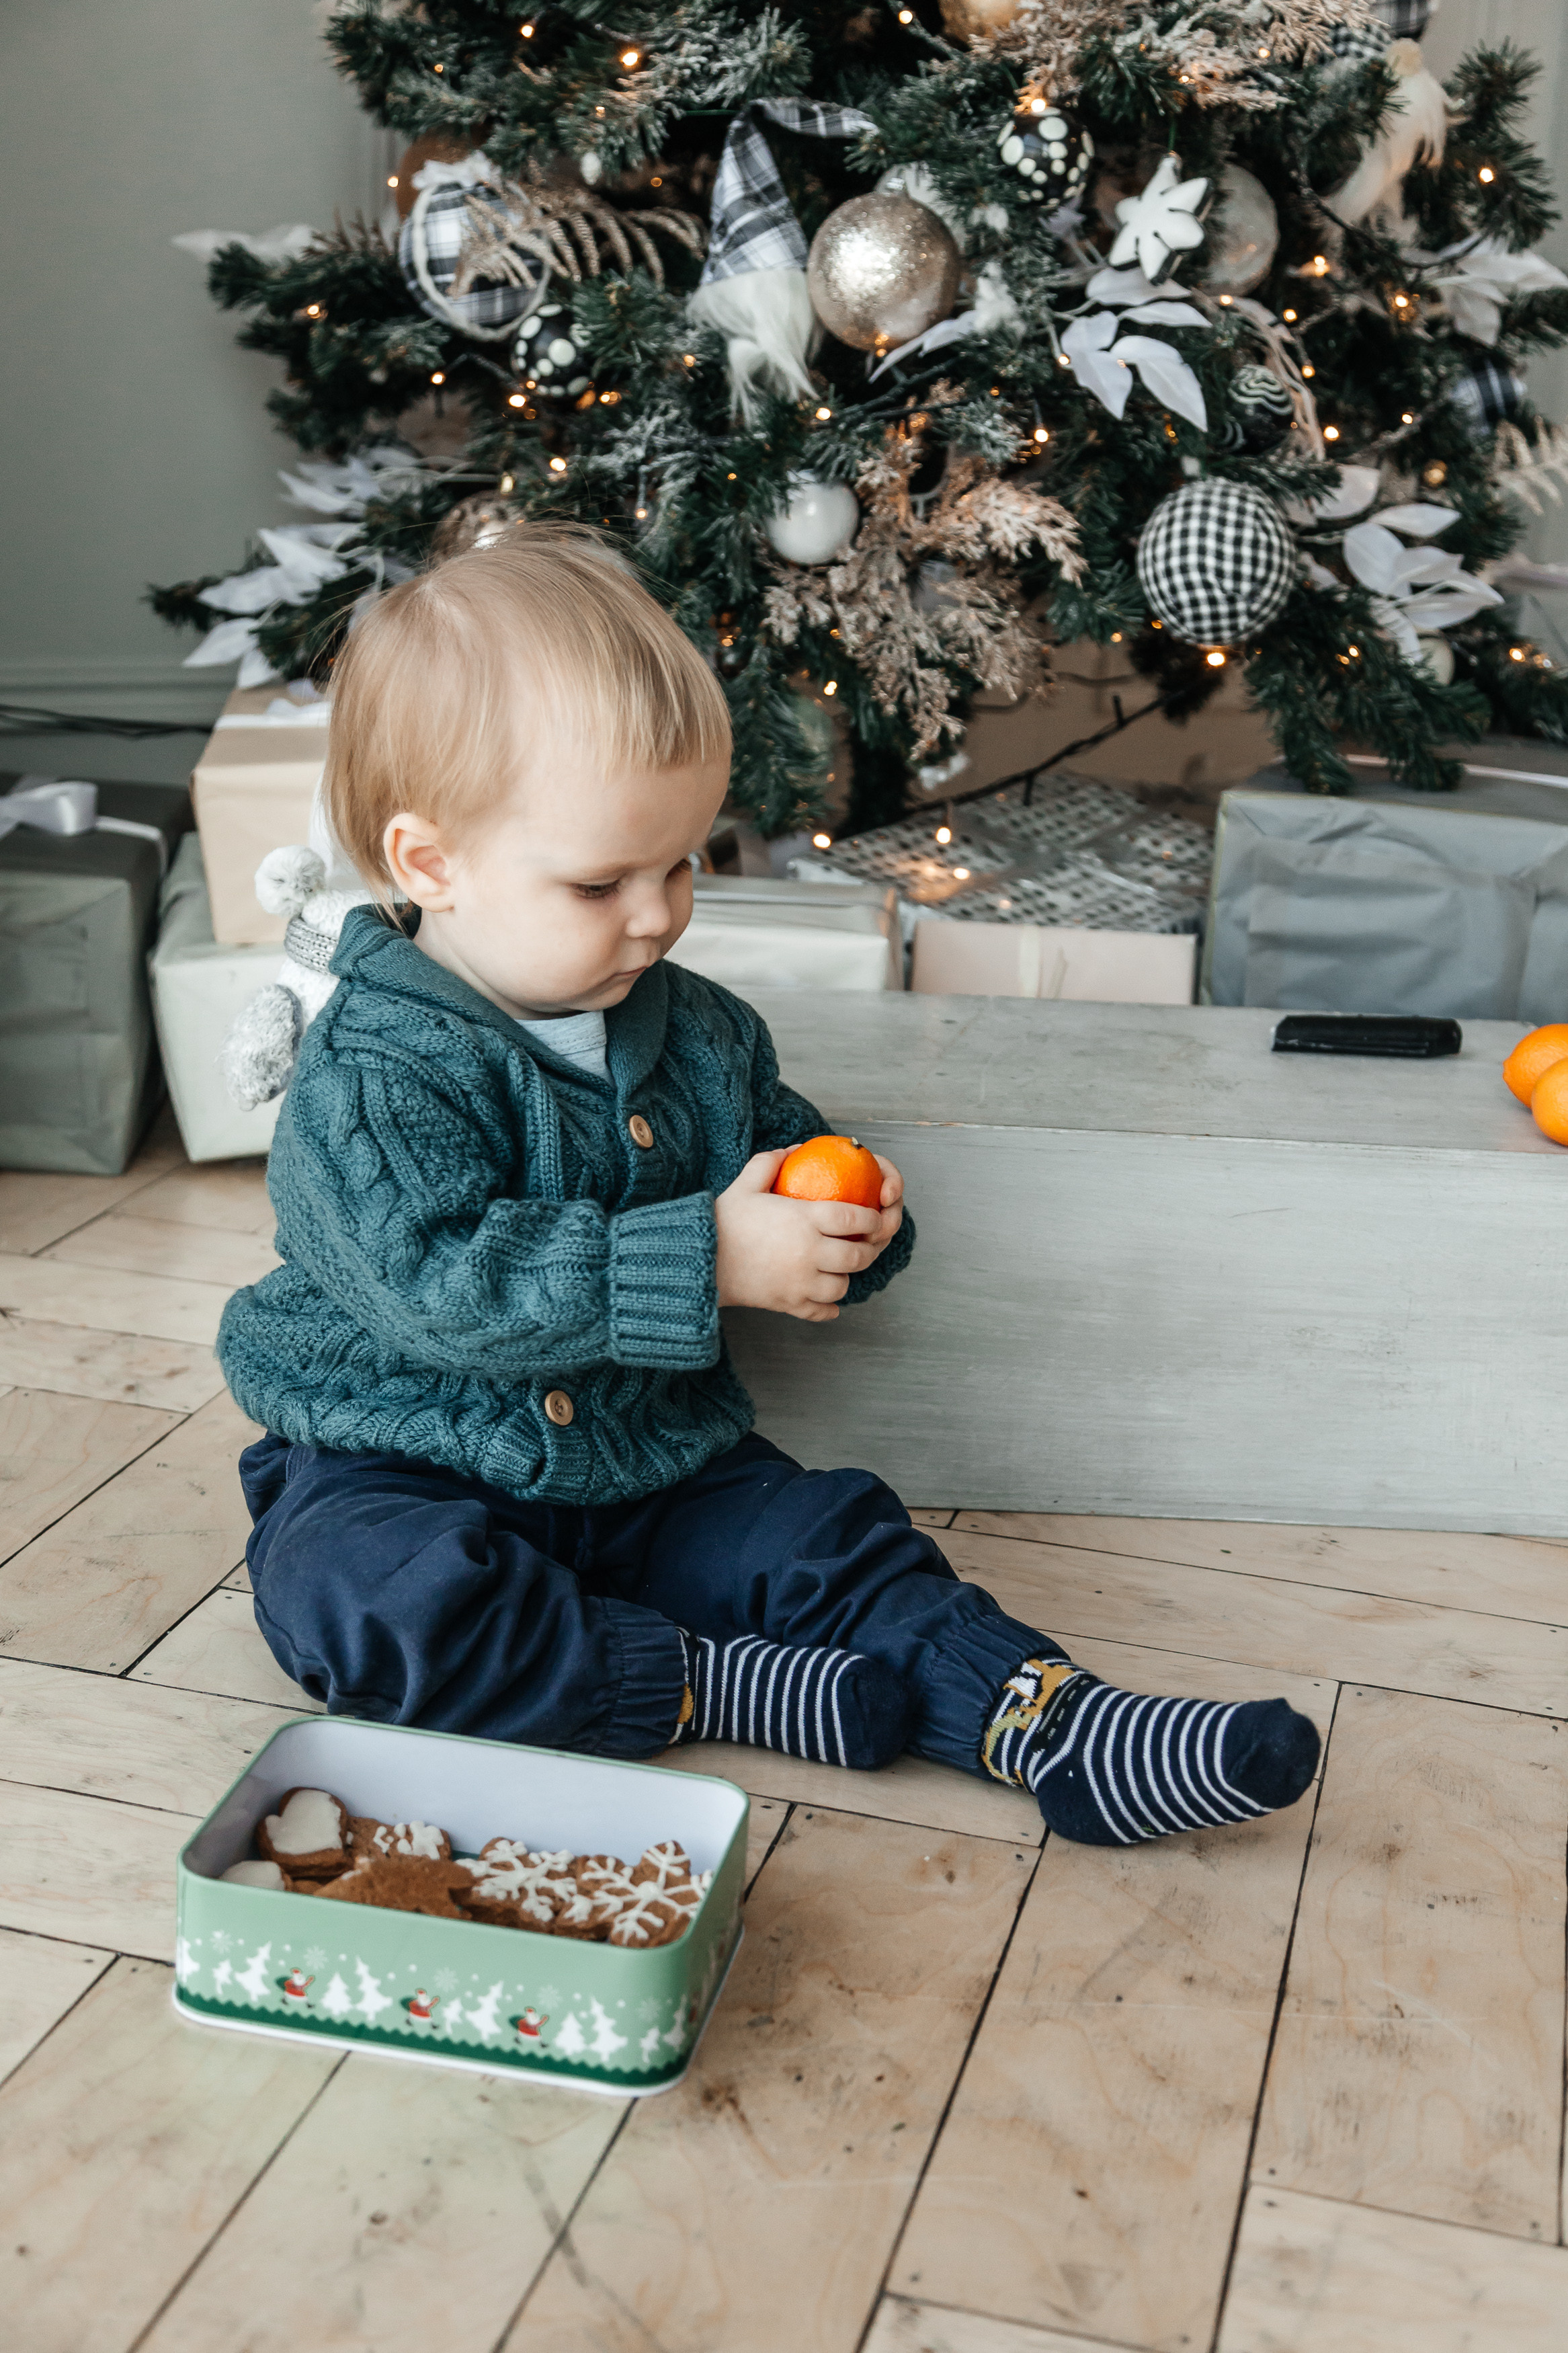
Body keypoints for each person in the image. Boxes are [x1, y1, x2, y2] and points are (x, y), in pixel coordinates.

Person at [220, 528, 1319, 1848]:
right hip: (403, 1461)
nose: (657, 916)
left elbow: (775, 1161)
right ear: (430, 862)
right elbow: (445, 1285)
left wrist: (843, 1228)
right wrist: (709, 1260)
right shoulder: (377, 1072)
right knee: (360, 1599)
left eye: (683, 863)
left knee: (831, 1534)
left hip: (646, 1461)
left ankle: (1057, 1724)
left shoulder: (700, 1032)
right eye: (600, 881)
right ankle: (701, 1678)